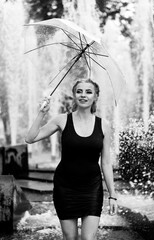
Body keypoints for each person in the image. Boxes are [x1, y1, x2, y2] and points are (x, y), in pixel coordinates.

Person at [25, 78, 118, 240]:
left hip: (92, 188)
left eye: (89, 92)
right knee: (71, 237)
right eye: (79, 91)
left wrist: (113, 195)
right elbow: (30, 138)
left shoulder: (104, 125)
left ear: (96, 96)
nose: (83, 95)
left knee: (88, 238)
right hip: (65, 187)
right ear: (74, 95)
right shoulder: (62, 120)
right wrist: (42, 113)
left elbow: (106, 163)